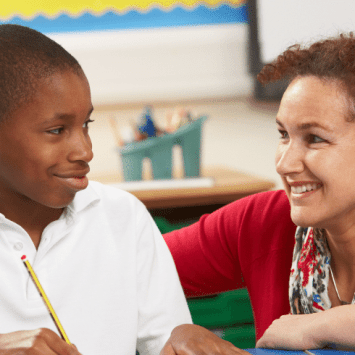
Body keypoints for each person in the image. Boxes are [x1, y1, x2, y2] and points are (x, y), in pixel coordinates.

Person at [0, 24, 192, 355]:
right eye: (57, 130)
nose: (85, 151)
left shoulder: (122, 216)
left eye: (85, 125)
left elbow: (168, 342)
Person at [162, 33, 355, 353]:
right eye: (283, 134)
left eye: (315, 138)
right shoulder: (266, 220)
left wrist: (317, 326)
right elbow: (130, 266)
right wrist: (183, 333)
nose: (284, 163)